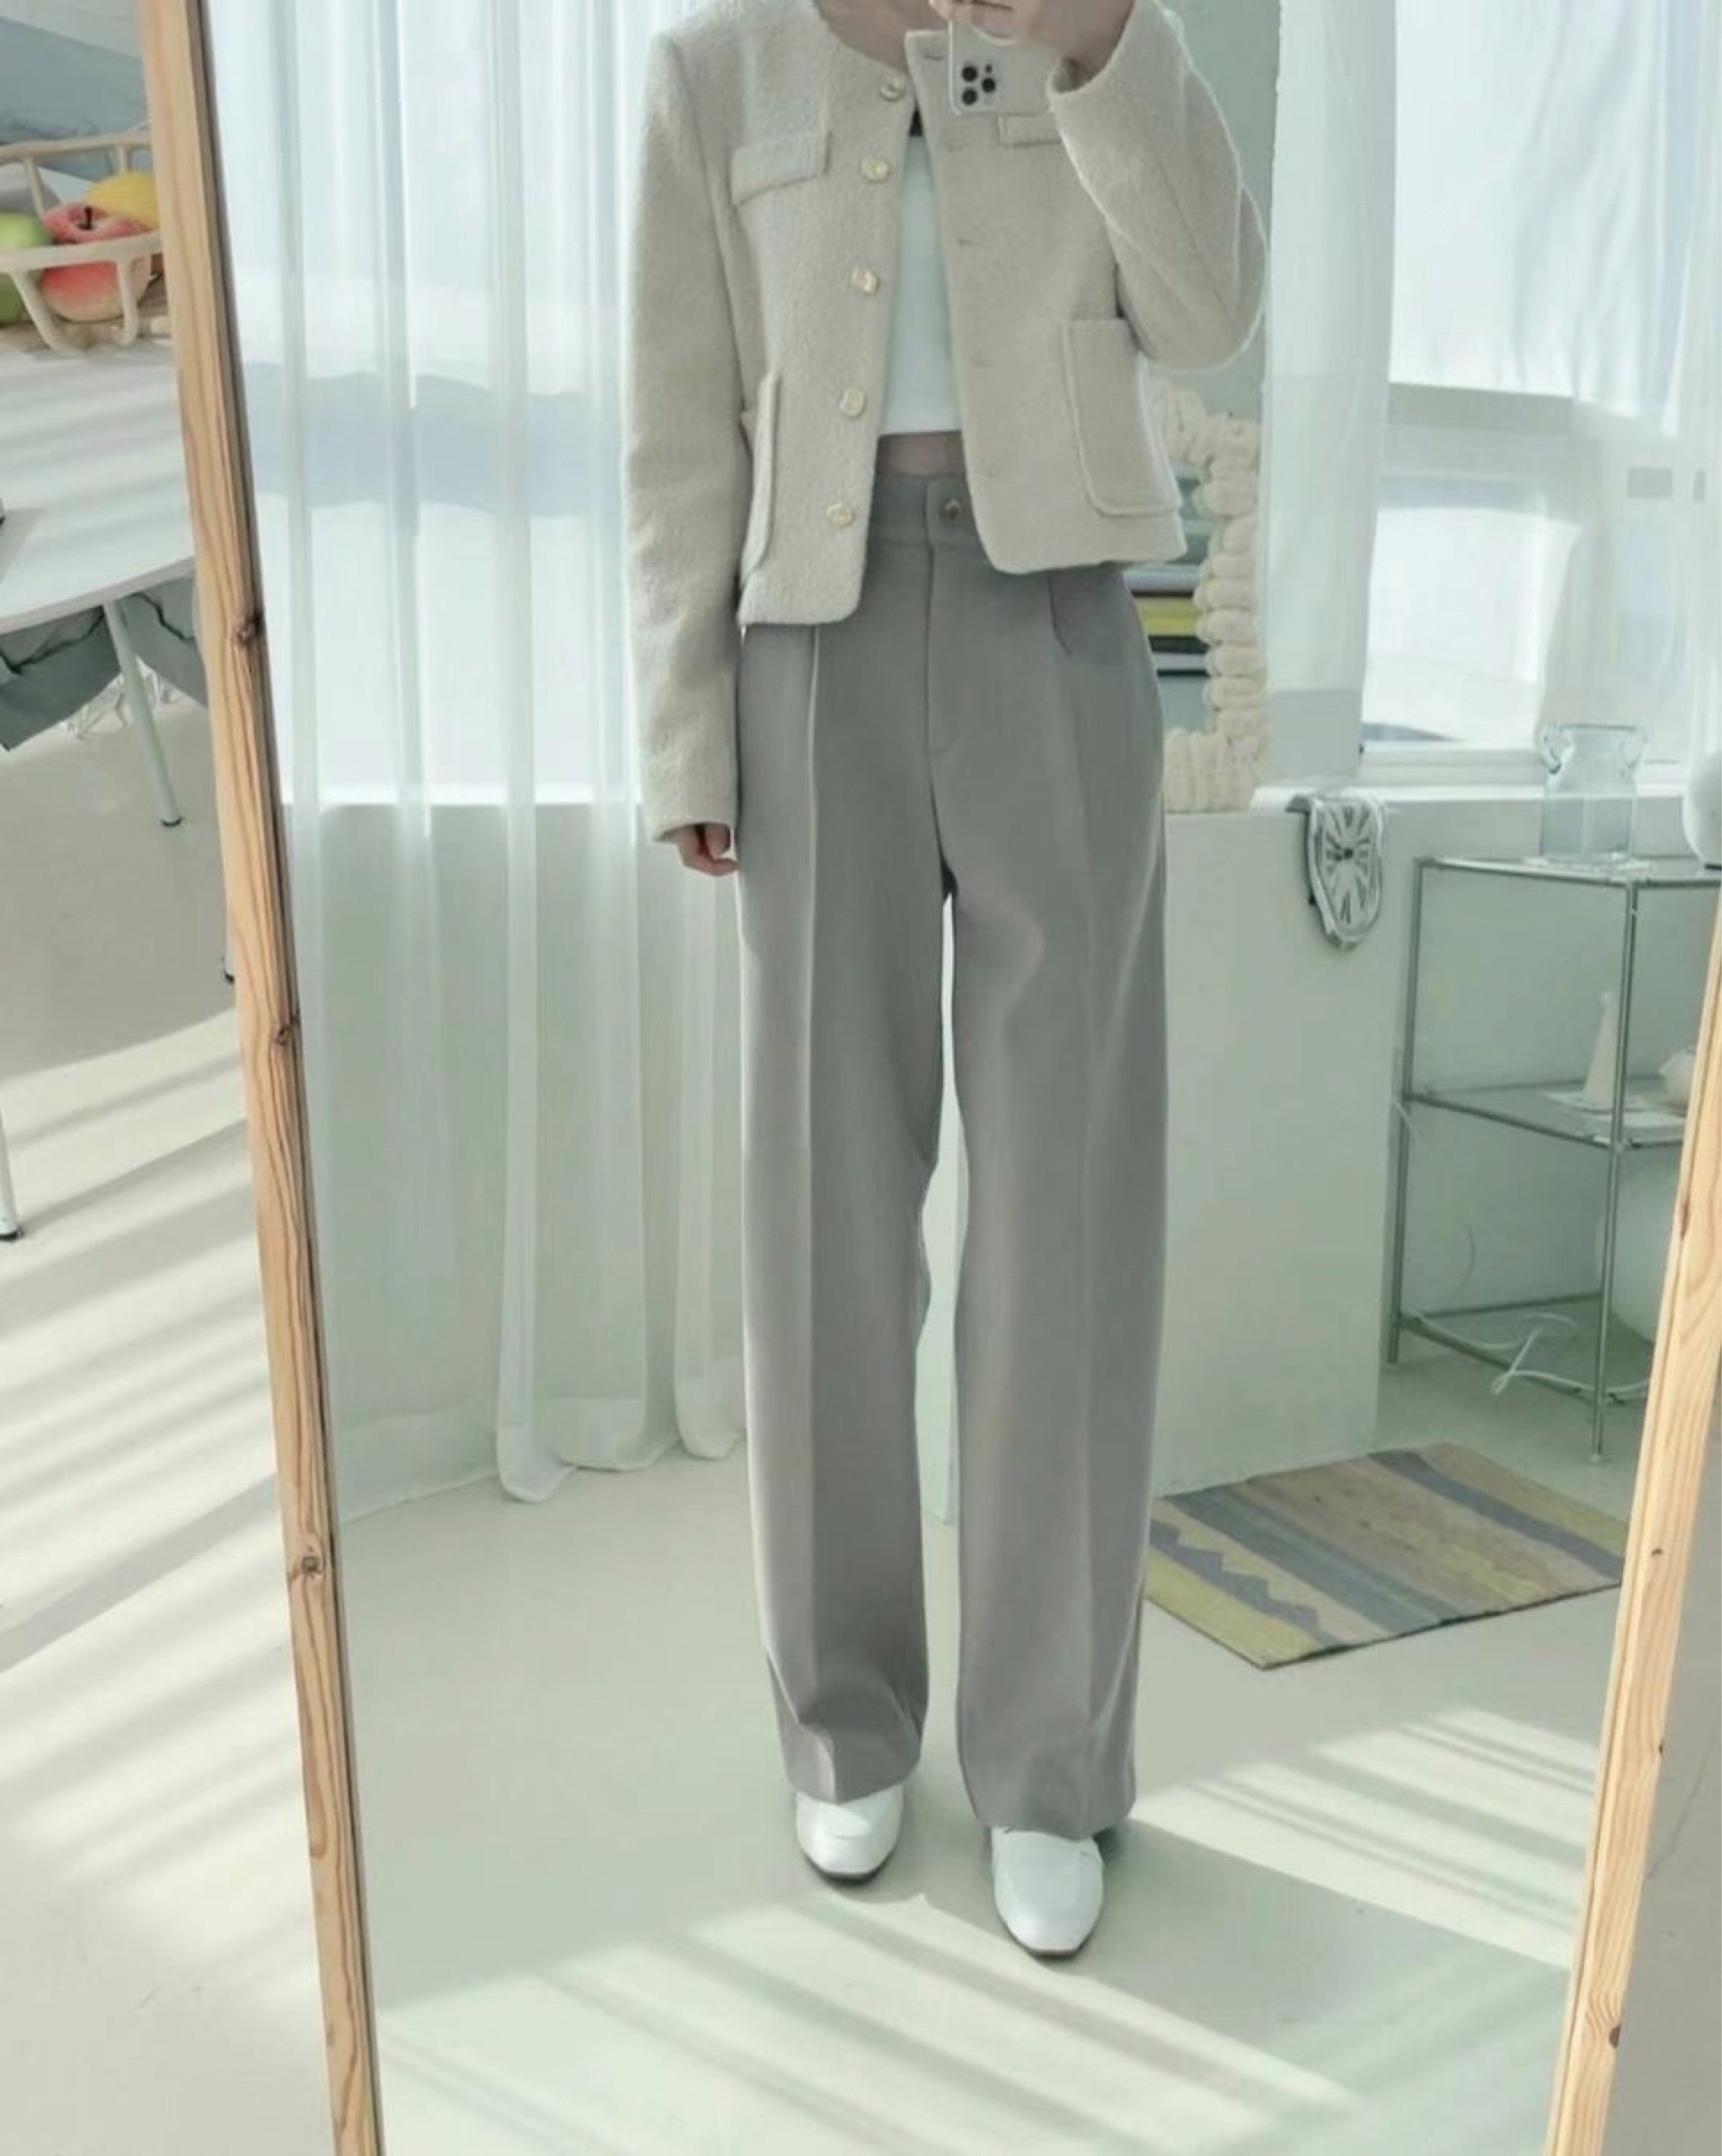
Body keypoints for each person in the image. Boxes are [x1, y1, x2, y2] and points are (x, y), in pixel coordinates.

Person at [623, 0, 1264, 1957]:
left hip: (1054, 623)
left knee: (1068, 1212)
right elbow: (675, 429)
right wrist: (685, 736)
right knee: (823, 1214)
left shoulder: (1097, 34)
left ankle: (1050, 1762)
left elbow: (1207, 314)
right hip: (804, 647)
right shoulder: (715, 69)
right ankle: (842, 1725)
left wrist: (1096, 46)